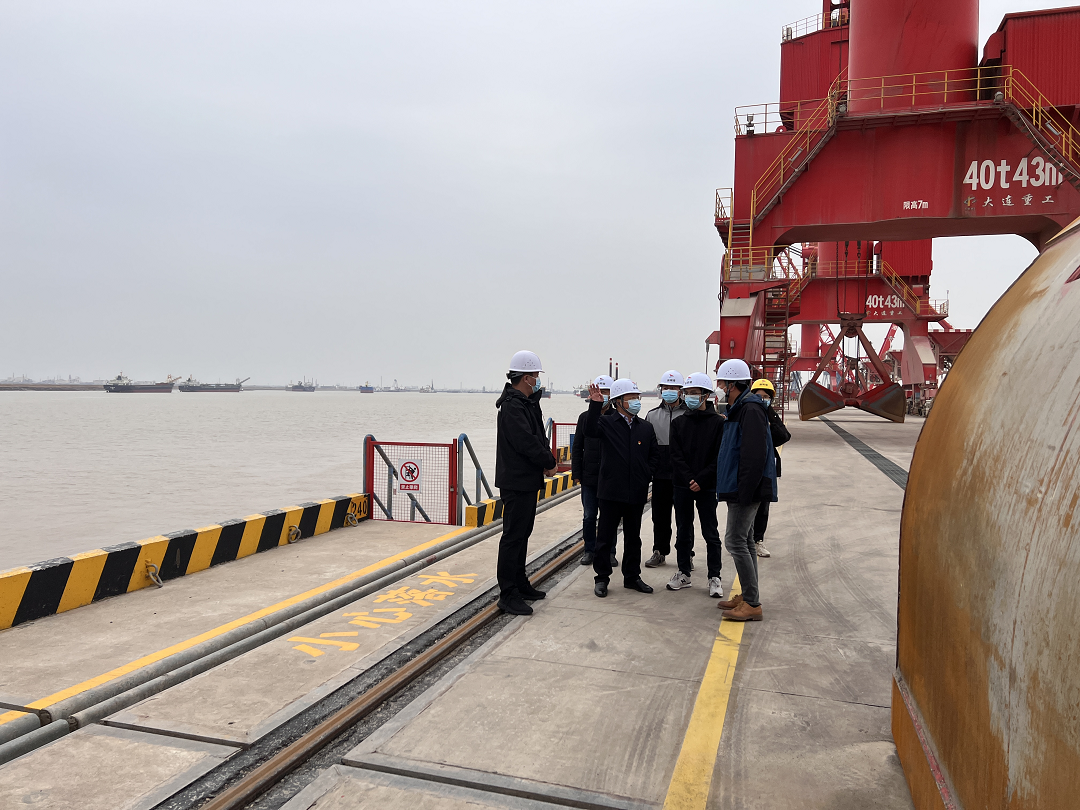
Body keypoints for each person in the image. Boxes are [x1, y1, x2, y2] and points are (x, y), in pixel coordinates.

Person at [494, 350, 559, 616]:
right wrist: (548, 461)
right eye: (535, 375)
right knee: (513, 537)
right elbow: (526, 442)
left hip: (527, 480)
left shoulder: (527, 402)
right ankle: (507, 594)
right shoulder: (513, 406)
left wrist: (546, 458)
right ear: (525, 377)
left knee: (523, 534)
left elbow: (538, 436)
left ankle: (520, 583)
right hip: (516, 481)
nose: (537, 380)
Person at [713, 359, 777, 622]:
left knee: (735, 541)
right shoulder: (741, 408)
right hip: (741, 486)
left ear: (732, 384)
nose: (719, 388)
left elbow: (753, 455)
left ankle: (752, 603)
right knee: (746, 541)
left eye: (722, 383)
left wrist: (745, 491)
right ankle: (749, 595)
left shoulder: (749, 409)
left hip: (745, 488)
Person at [584, 378, 659, 598]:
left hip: (636, 491)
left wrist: (646, 474)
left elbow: (654, 456)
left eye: (637, 397)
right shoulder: (606, 423)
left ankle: (632, 577)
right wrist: (595, 404)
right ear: (618, 402)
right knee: (605, 538)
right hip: (610, 491)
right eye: (631, 398)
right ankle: (602, 578)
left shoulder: (645, 427)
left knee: (633, 538)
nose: (636, 401)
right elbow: (589, 430)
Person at [666, 372, 726, 597]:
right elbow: (675, 455)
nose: (689, 397)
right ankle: (683, 572)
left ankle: (714, 577)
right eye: (687, 393)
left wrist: (701, 480)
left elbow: (719, 456)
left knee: (711, 532)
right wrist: (690, 479)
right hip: (682, 485)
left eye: (694, 393)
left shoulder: (719, 423)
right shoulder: (678, 423)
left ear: (705, 395)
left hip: (707, 486)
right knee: (683, 530)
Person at [644, 370, 688, 569]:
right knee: (660, 517)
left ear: (680, 390)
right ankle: (659, 551)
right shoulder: (652, 415)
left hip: (683, 476)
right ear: (661, 390)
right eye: (666, 387)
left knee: (684, 519)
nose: (669, 391)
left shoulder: (689, 414)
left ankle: (687, 554)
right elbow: (647, 446)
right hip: (660, 476)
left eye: (673, 387)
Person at [572, 375, 614, 566]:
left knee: (609, 517)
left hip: (609, 478)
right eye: (600, 391)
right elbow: (577, 447)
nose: (602, 395)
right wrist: (577, 473)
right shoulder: (585, 418)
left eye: (606, 392)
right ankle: (589, 550)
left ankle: (610, 552)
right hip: (589, 477)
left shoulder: (615, 418)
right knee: (589, 516)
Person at [748, 379, 791, 558]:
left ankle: (758, 540)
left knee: (763, 507)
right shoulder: (746, 413)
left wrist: (770, 416)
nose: (763, 400)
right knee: (744, 506)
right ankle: (743, 540)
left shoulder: (770, 416)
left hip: (767, 468)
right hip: (748, 468)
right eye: (759, 396)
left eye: (766, 397)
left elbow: (784, 436)